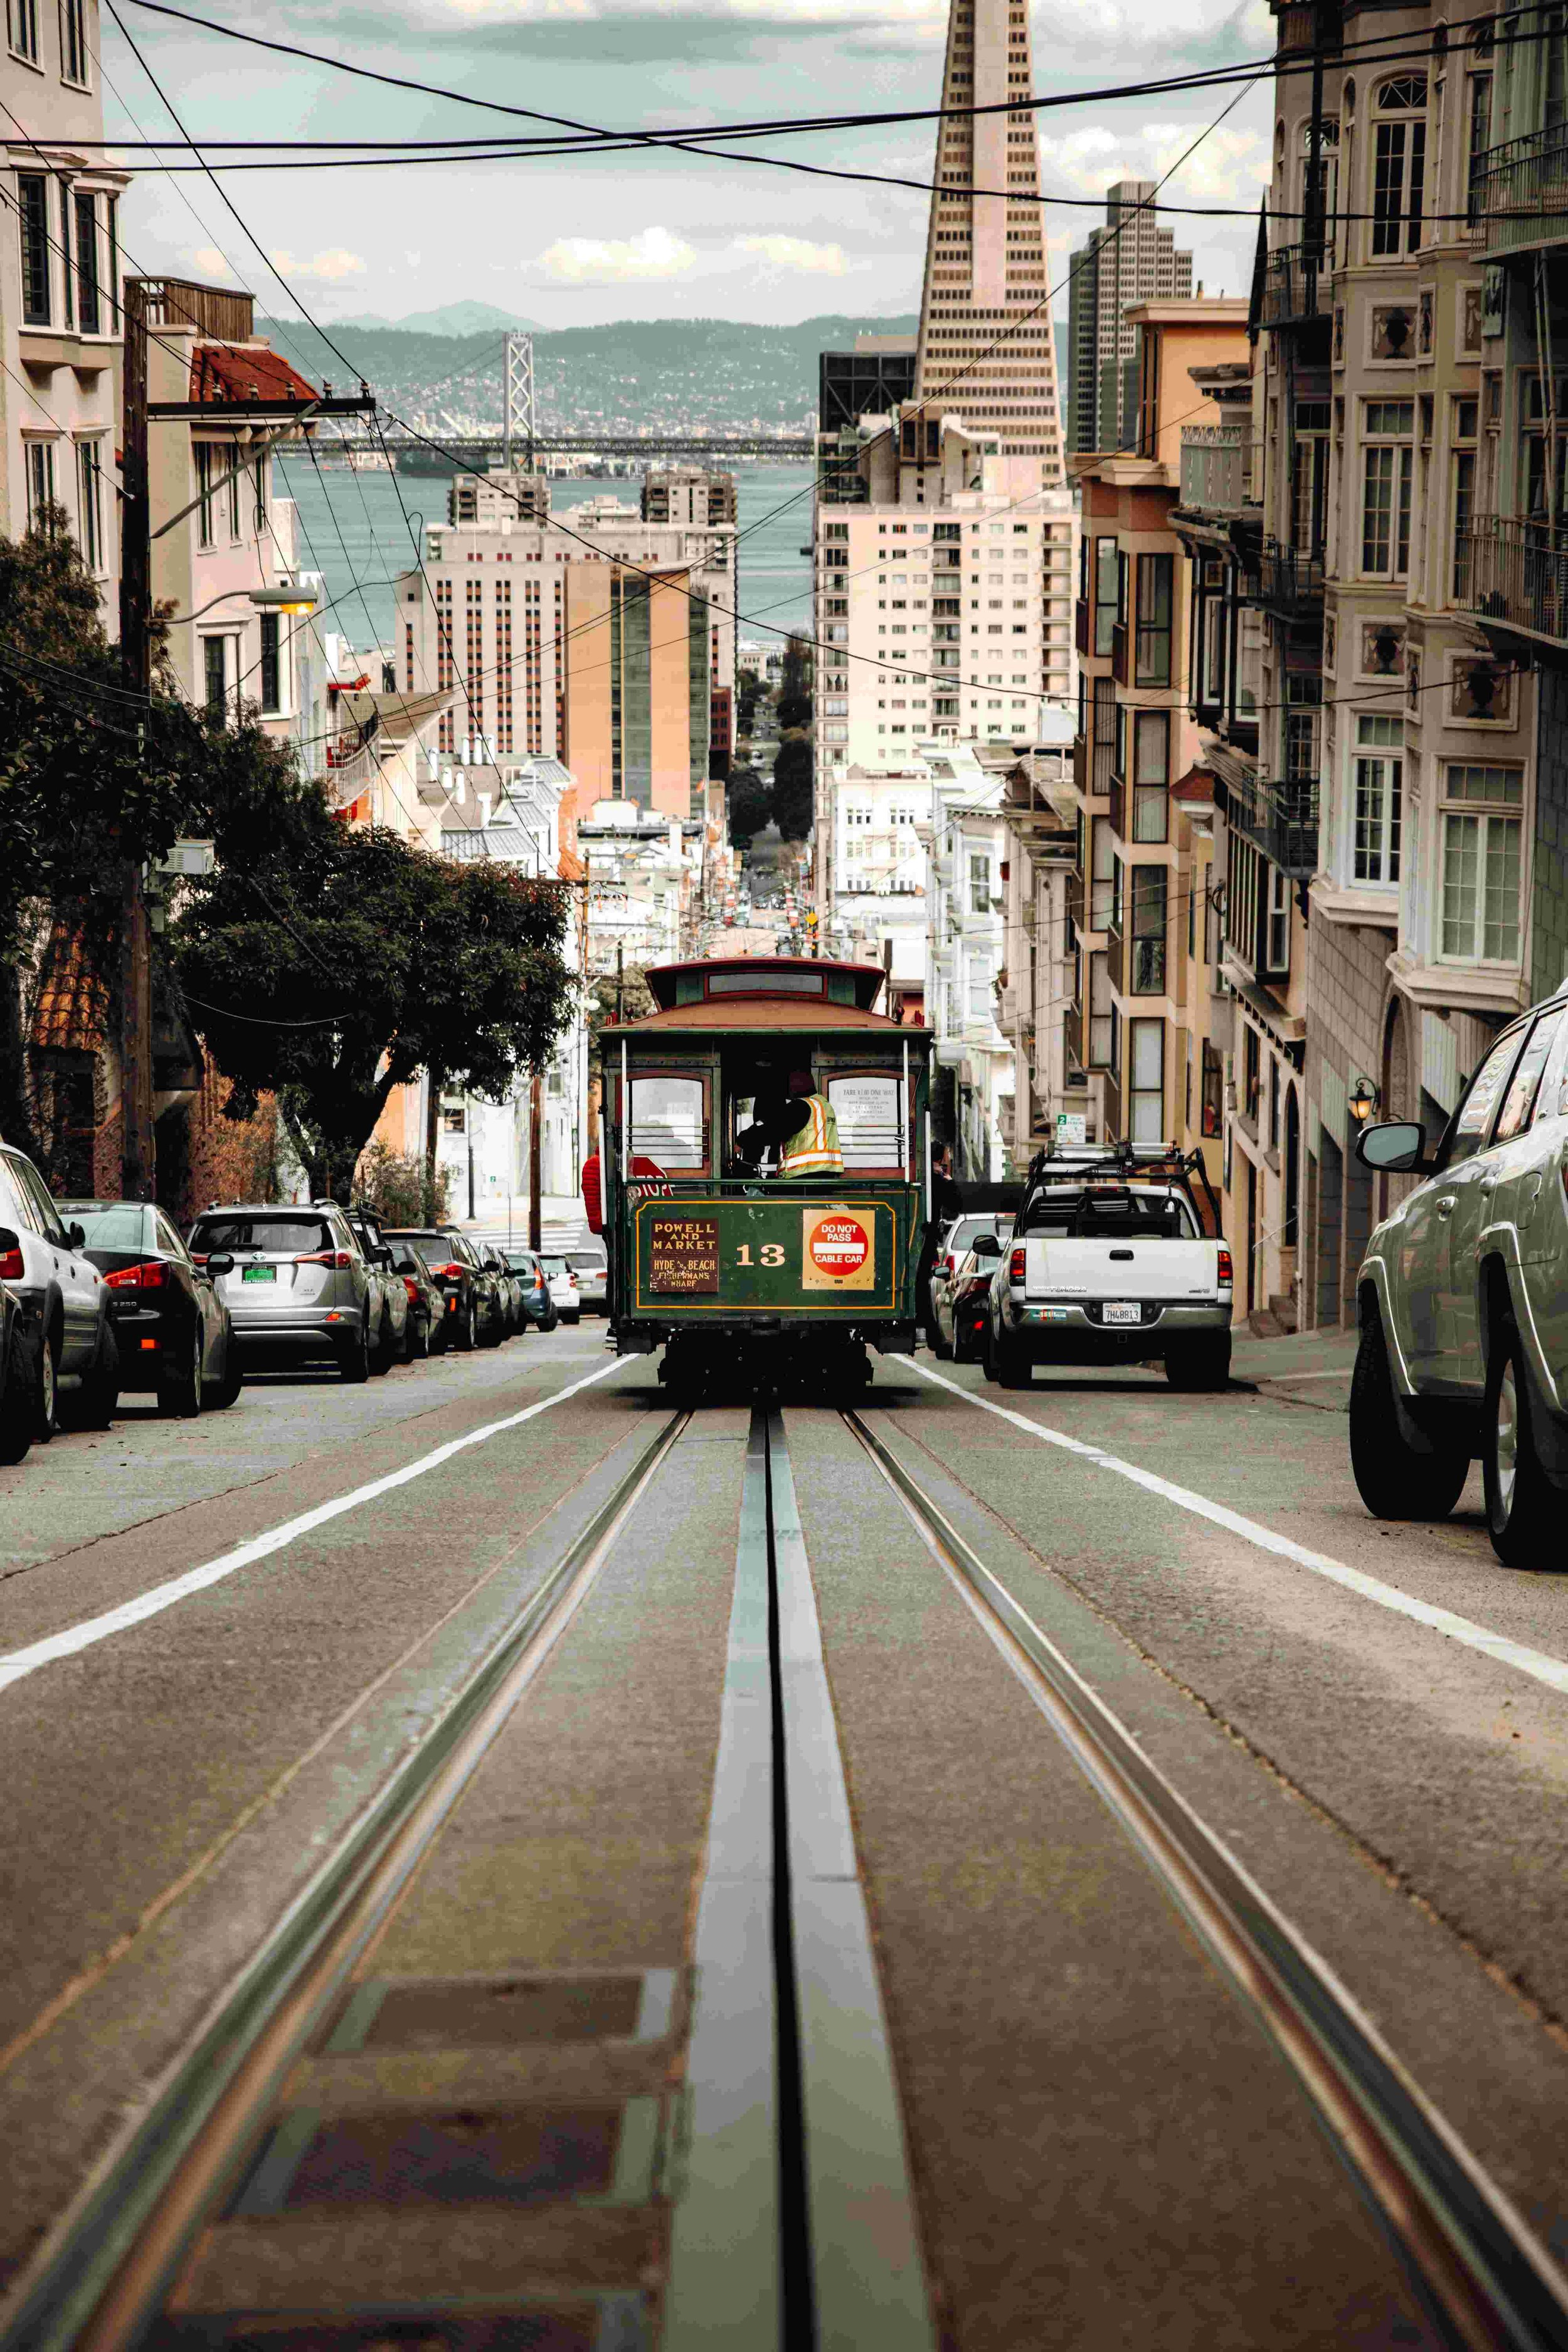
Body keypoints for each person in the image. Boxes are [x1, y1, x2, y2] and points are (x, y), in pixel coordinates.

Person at [918, 1142, 963, 1348]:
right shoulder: (937, 1180)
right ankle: (930, 1331)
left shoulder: (923, 1175)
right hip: (927, 1236)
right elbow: (955, 1205)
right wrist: (949, 1180)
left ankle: (930, 1330)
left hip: (921, 1233)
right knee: (922, 1282)